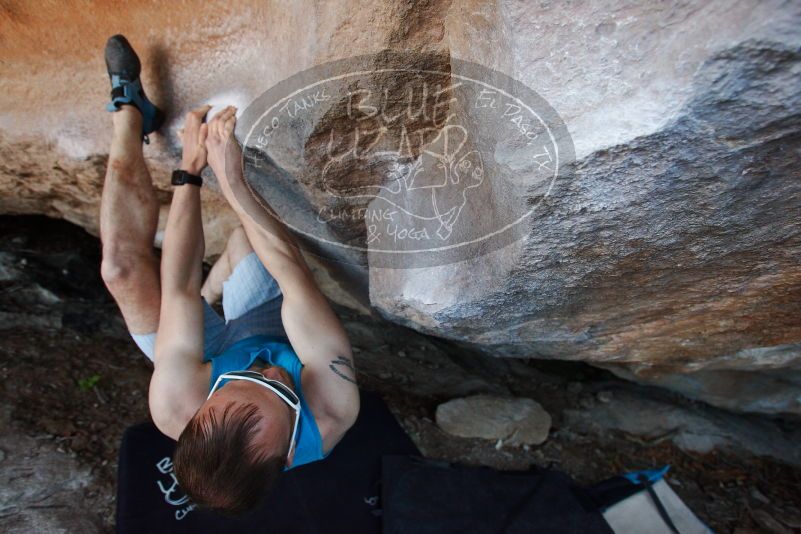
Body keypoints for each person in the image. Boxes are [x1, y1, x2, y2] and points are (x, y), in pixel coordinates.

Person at [99, 35, 360, 515]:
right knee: (250, 241)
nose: (268, 371)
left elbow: (176, 287)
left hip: (212, 354)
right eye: (282, 390)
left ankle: (128, 110)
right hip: (271, 322)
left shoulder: (177, 403)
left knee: (120, 270)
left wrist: (192, 171)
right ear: (287, 454)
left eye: (243, 381)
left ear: (202, 410)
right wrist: (232, 178)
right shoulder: (331, 407)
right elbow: (291, 273)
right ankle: (225, 282)